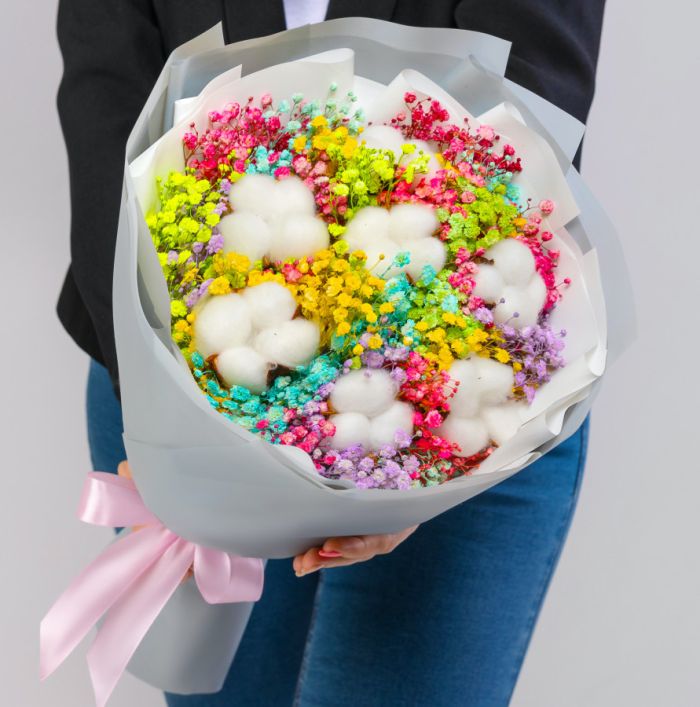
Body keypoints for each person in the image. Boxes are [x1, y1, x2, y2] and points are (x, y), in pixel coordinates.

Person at [58, 1, 605, 705]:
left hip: (463, 418)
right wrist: (162, 397)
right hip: (165, 380)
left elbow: (532, 105)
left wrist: (418, 448)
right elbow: (104, 72)